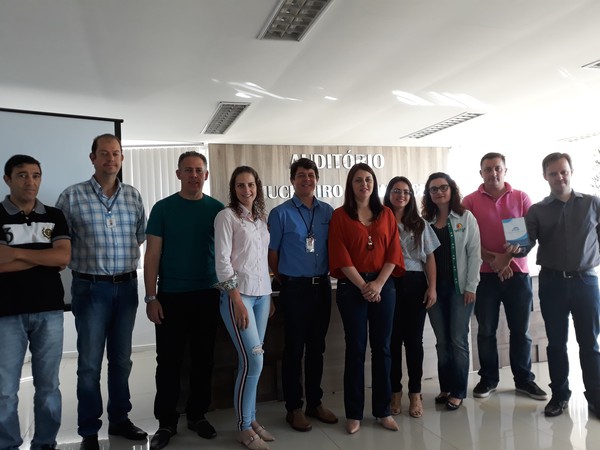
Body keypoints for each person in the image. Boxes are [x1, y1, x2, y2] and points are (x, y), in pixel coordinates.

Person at [56, 134, 147, 450]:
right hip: (90, 289)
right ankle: (89, 430)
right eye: (104, 153)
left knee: (122, 361)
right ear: (92, 157)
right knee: (89, 365)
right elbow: (60, 244)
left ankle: (120, 419)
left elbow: (139, 237)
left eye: (116, 153)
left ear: (122, 158)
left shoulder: (133, 196)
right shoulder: (71, 197)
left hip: (127, 288)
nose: (111, 159)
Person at [144, 151, 223, 450]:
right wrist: (151, 297)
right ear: (178, 174)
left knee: (203, 359)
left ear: (206, 175)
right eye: (188, 170)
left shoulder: (217, 210)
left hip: (207, 295)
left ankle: (197, 415)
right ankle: (166, 422)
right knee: (168, 362)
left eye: (199, 170)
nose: (194, 175)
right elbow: (152, 255)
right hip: (171, 297)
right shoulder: (163, 208)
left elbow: (227, 256)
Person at [463, 153, 547, 401]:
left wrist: (507, 259)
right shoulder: (469, 201)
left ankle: (524, 380)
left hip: (517, 275)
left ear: (505, 170)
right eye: (488, 169)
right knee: (486, 331)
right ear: (481, 173)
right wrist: (494, 261)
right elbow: (467, 240)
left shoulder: (520, 197)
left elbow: (528, 237)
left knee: (520, 331)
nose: (493, 173)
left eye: (497, 168)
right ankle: (488, 379)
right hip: (483, 277)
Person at [0, 155, 71, 450]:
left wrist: (16, 253)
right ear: (8, 179)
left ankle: (45, 444)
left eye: (35, 175)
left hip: (49, 311)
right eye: (22, 175)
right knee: (4, 390)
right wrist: (44, 258)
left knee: (49, 387)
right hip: (6, 313)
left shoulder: (55, 215)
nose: (30, 181)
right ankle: (7, 445)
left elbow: (63, 257)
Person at [328, 163, 405, 434]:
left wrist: (378, 284)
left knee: (383, 348)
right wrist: (364, 286)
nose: (364, 184)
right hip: (352, 288)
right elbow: (340, 255)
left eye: (369, 179)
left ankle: (383, 410)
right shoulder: (340, 216)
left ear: (374, 183)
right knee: (356, 349)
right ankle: (354, 413)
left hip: (384, 286)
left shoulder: (386, 214)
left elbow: (394, 252)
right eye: (358, 180)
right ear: (351, 185)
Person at [525, 152, 600, 418]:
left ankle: (596, 397)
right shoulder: (537, 210)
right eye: (553, 173)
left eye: (563, 171)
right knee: (556, 343)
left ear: (571, 172)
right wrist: (513, 249)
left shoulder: (592, 203)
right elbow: (526, 243)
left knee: (590, 343)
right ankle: (559, 396)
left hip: (586, 282)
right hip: (552, 283)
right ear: (545, 176)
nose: (559, 177)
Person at [267, 158, 337, 432]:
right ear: (292, 180)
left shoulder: (328, 212)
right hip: (294, 288)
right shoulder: (280, 213)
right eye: (300, 175)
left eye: (310, 175)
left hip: (322, 287)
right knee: (294, 349)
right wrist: (285, 278)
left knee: (317, 348)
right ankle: (294, 408)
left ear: (316, 179)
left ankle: (314, 403)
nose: (306, 179)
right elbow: (272, 254)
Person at [215, 166, 273, 450]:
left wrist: (270, 295)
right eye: (241, 185)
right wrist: (236, 300)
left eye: (251, 185)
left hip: (263, 297)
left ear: (257, 187)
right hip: (240, 298)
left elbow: (262, 261)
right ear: (233, 188)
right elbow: (222, 262)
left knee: (249, 362)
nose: (246, 190)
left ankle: (250, 419)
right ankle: (243, 427)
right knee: (255, 361)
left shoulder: (260, 220)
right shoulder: (226, 217)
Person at [421, 172, 481, 411]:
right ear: (429, 194)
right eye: (433, 189)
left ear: (452, 189)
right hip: (434, 289)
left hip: (460, 289)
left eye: (443, 187)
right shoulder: (425, 221)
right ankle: (445, 387)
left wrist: (471, 286)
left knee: (458, 340)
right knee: (442, 341)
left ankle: (458, 391)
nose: (439, 192)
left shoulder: (465, 217)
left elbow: (474, 254)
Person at [383, 176, 439, 418]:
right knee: (392, 341)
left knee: (414, 342)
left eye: (406, 191)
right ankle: (395, 392)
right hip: (388, 282)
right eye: (396, 191)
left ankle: (415, 393)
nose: (401, 195)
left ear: (411, 196)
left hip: (415, 283)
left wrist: (432, 287)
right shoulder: (380, 220)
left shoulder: (420, 224)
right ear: (389, 194)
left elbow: (430, 257)